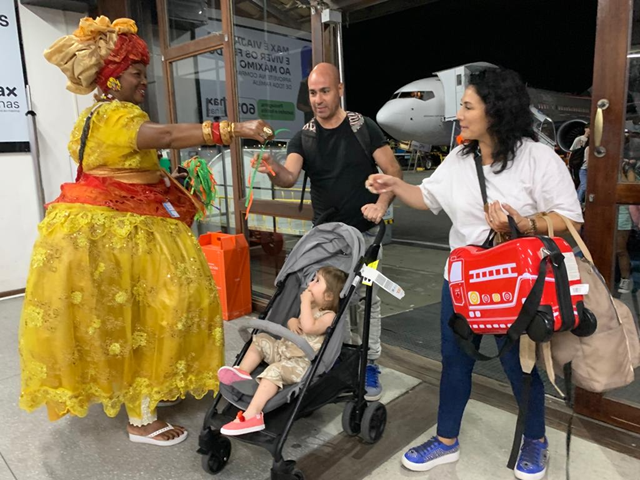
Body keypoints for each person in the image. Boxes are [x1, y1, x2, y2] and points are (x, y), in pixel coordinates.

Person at [19, 16, 274, 447]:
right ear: (113, 79)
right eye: (137, 73)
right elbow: (167, 134)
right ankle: (142, 420)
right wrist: (233, 129)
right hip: (125, 235)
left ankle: (147, 390)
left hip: (108, 228)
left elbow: (128, 166)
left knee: (130, 319)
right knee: (155, 314)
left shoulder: (92, 118)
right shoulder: (118, 115)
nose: (144, 82)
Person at [366, 68, 583, 479]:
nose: (459, 116)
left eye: (467, 107)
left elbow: (571, 220)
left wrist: (524, 224)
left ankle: (536, 439)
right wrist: (392, 185)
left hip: (514, 284)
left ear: (495, 111)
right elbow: (426, 197)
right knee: (455, 361)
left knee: (517, 365)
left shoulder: (538, 158)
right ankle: (446, 440)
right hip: (463, 282)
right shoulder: (459, 158)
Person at [252, 62, 403, 401]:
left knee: (365, 300)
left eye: (324, 91)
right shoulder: (304, 137)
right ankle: (337, 359)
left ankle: (369, 363)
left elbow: (393, 171)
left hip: (365, 236)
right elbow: (289, 177)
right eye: (312, 93)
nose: (318, 99)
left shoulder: (363, 127)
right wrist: (273, 169)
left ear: (339, 90)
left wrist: (381, 205)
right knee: (329, 302)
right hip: (328, 240)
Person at [217, 266, 348, 435]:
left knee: (275, 371)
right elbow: (299, 321)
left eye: (317, 281)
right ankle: (242, 371)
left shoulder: (329, 316)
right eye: (313, 278)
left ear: (328, 296)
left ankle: (252, 415)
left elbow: (309, 326)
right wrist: (292, 321)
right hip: (283, 350)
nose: (310, 283)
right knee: (261, 339)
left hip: (300, 363)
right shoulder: (311, 307)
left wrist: (304, 302)